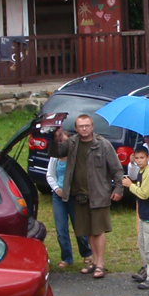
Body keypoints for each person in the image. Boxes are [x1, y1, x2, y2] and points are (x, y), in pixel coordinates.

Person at [46, 114, 124, 278]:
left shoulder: (103, 144)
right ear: (76, 128)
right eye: (81, 126)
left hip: (99, 195)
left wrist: (118, 188)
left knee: (98, 230)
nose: (84, 129)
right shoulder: (72, 143)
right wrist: (54, 137)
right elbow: (56, 152)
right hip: (79, 196)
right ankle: (93, 262)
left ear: (92, 126)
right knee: (88, 231)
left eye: (87, 125)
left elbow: (116, 169)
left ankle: (100, 265)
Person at [122, 146, 149, 289]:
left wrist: (130, 186)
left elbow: (144, 194)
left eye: (142, 158)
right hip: (145, 214)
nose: (139, 161)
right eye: (137, 158)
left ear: (148, 158)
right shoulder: (141, 171)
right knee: (142, 243)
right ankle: (147, 269)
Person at [46, 154, 92, 270]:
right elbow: (50, 175)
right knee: (61, 229)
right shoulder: (55, 157)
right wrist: (57, 189)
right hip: (59, 196)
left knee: (79, 227)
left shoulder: (76, 156)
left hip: (74, 196)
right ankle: (66, 258)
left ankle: (86, 253)